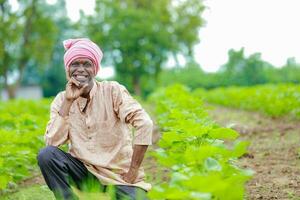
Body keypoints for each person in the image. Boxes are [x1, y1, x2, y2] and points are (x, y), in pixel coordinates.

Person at [37, 38, 153, 200]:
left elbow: (145, 124)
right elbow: (52, 144)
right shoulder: (61, 100)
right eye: (75, 64)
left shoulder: (113, 91)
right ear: (67, 69)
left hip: (118, 177)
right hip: (83, 172)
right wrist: (68, 102)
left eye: (87, 64)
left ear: (95, 69)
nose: (81, 69)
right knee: (46, 155)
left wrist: (133, 170)